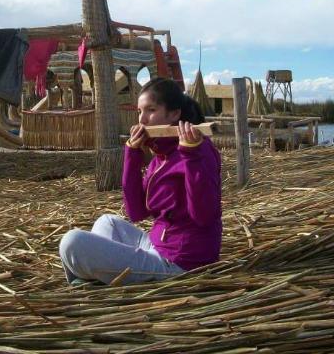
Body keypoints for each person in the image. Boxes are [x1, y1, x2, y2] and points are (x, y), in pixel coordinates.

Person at [59, 77, 222, 286]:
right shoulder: (162, 154)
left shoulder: (200, 151)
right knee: (106, 222)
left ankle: (92, 282)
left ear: (174, 114)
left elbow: (204, 216)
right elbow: (136, 212)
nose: (142, 120)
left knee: (72, 242)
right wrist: (133, 155)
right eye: (139, 111)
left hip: (180, 263)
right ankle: (96, 278)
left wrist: (191, 156)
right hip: (156, 246)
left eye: (151, 110)